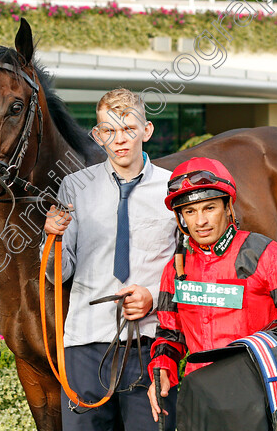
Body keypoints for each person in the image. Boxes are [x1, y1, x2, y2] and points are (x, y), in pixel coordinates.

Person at [146, 157, 277, 425]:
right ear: (181, 217)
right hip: (202, 401)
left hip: (257, 398)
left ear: (228, 207)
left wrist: (263, 352)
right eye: (190, 211)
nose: (201, 221)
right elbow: (169, 333)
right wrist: (162, 368)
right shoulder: (176, 269)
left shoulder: (264, 255)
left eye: (209, 208)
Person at [44, 88, 178, 431]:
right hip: (84, 346)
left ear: (146, 131)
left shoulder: (173, 190)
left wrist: (152, 295)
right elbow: (60, 275)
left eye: (129, 129)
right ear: (97, 135)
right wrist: (51, 240)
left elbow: (187, 271)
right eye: (109, 130)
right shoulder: (74, 187)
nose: (119, 140)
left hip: (149, 345)